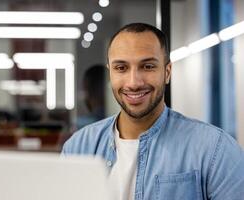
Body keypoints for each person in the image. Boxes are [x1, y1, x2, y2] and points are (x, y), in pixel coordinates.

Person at [62, 23, 244, 200]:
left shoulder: (215, 150)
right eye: (121, 68)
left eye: (147, 66)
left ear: (167, 72)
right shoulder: (78, 148)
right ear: (111, 73)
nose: (133, 82)